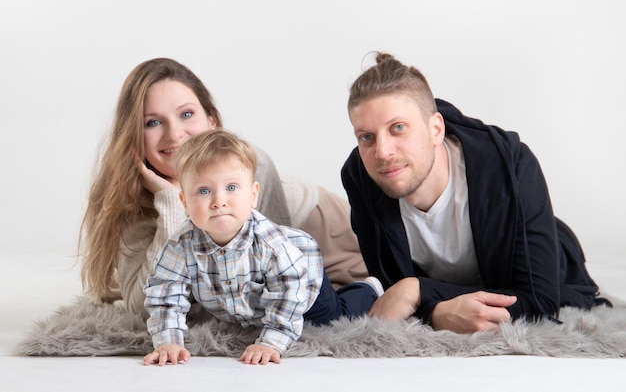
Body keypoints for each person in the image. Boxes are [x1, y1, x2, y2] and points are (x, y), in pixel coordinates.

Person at [341, 52, 610, 334]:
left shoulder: (510, 163)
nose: (382, 152)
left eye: (398, 128)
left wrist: (419, 290)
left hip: (553, 271)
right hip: (455, 281)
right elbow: (392, 294)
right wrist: (434, 308)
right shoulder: (360, 176)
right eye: (366, 137)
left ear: (436, 129)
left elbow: (540, 304)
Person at [79, 58, 368, 318]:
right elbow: (144, 307)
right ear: (133, 137)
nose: (174, 133)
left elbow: (266, 281)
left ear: (212, 121)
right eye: (153, 122)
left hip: (324, 230)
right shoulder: (132, 196)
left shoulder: (253, 165)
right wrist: (169, 202)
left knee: (328, 311)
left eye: (187, 114)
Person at [143, 129, 381, 366]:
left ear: (253, 195)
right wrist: (168, 341)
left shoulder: (270, 244)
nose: (219, 201)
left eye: (232, 187)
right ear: (184, 202)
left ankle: (366, 289)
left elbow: (288, 292)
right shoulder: (181, 245)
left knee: (332, 317)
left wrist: (270, 342)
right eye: (204, 191)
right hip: (253, 303)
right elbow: (166, 294)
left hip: (302, 278)